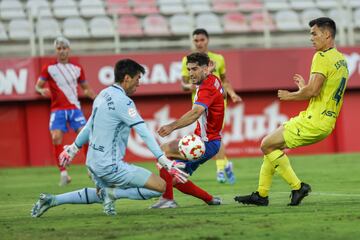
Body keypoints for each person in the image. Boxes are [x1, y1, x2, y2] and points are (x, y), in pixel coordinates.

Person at [31, 59, 188, 217]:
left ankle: (52, 200)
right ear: (127, 78)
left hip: (92, 164)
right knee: (161, 187)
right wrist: (164, 161)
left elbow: (88, 126)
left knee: (102, 193)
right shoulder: (124, 102)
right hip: (110, 166)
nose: (138, 83)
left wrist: (72, 149)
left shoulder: (102, 94)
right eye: (137, 78)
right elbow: (144, 132)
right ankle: (112, 194)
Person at [234, 17, 349, 206]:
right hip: (324, 120)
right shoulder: (341, 59)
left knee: (266, 145)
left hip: (315, 120)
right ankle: (261, 195)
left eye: (314, 33)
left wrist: (291, 96)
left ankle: (297, 187)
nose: (311, 38)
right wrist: (304, 87)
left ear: (327, 34)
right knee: (272, 146)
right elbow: (320, 91)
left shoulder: (321, 57)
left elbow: (313, 91)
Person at [150, 52, 224, 208]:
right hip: (209, 142)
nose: (190, 73)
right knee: (175, 179)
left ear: (204, 69)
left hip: (204, 142)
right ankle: (210, 199)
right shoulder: (213, 79)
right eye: (188, 69)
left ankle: (167, 199)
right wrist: (208, 68)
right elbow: (207, 71)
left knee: (163, 152)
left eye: (194, 69)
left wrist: (172, 126)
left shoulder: (206, 89)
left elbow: (196, 113)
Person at [181, 28, 242, 184]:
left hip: (217, 104)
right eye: (196, 40)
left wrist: (233, 93)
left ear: (207, 40)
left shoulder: (219, 58)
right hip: (199, 105)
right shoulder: (187, 60)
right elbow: (183, 83)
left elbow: (225, 80)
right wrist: (191, 87)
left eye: (202, 40)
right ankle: (226, 164)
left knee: (213, 135)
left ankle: (220, 170)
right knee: (209, 138)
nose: (199, 43)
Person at [35, 36, 96, 186]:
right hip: (58, 109)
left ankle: (90, 167)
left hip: (74, 108)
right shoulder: (49, 68)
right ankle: (63, 173)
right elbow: (38, 86)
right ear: (56, 50)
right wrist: (41, 90)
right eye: (59, 49)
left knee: (85, 135)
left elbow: (86, 88)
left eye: (64, 48)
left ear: (68, 50)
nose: (61, 51)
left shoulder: (77, 69)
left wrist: (96, 97)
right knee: (56, 138)